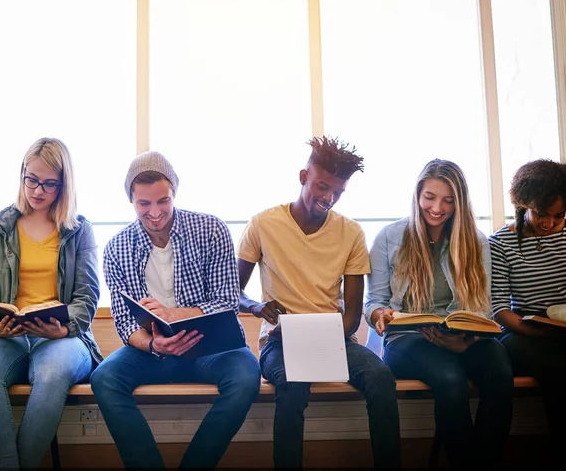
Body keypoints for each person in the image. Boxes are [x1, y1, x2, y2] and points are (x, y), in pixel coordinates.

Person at [237, 136, 401, 469]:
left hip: (335, 341)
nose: (328, 198)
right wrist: (256, 307)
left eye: (337, 193)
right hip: (278, 342)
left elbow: (353, 317)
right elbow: (232, 292)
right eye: (322, 187)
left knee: (381, 378)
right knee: (293, 384)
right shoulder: (263, 223)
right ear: (303, 177)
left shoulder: (351, 233)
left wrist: (319, 337)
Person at [90, 151, 261, 469]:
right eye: (144, 204)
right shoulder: (116, 248)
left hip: (213, 349)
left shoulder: (211, 230)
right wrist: (154, 344)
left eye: (163, 201)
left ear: (174, 194)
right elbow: (125, 321)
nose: (154, 213)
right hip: (153, 352)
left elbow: (226, 300)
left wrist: (173, 314)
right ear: (132, 200)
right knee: (104, 379)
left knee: (246, 377)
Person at [365, 158, 513, 468]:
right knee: (450, 377)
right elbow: (375, 301)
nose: (437, 207)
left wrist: (466, 340)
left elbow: (483, 306)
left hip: (462, 336)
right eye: (430, 197)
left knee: (499, 370)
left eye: (448, 200)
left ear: (459, 202)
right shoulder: (389, 237)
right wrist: (379, 316)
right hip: (407, 339)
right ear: (418, 195)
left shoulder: (475, 241)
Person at [0, 137, 102, 469]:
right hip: (6, 335)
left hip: (64, 337)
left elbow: (87, 298)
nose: (37, 190)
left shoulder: (79, 230)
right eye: (32, 179)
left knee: (53, 372)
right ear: (22, 174)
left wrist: (63, 328)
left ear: (63, 185)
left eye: (49, 184)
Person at [489, 158, 566, 461]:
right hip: (520, 332)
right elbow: (498, 308)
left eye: (559, 216)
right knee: (560, 370)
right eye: (542, 214)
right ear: (523, 205)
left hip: (561, 330)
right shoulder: (502, 242)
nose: (550, 223)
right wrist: (529, 328)